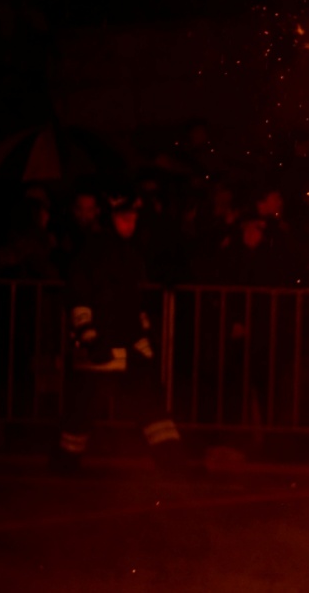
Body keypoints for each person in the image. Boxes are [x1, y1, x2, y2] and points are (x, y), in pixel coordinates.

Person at [51, 191, 192, 475]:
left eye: (134, 218)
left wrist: (144, 336)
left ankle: (172, 462)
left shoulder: (127, 253)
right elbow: (80, 294)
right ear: (109, 219)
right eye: (124, 217)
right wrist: (89, 335)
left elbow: (131, 301)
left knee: (149, 404)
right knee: (85, 408)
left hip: (126, 345)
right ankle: (64, 462)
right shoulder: (94, 252)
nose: (131, 223)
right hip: (102, 345)